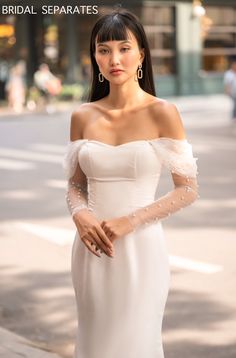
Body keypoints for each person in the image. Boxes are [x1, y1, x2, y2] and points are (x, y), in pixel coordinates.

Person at [63, 7, 199, 358]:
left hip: (141, 250)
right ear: (94, 57)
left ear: (141, 54)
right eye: (103, 50)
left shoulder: (162, 112)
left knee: (137, 343)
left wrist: (131, 221)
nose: (114, 59)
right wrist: (80, 215)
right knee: (95, 345)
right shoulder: (83, 115)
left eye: (124, 48)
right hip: (92, 249)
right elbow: (76, 186)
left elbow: (187, 189)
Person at [224, 58, 236, 125]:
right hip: (232, 92)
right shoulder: (228, 73)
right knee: (235, 104)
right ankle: (233, 116)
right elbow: (227, 83)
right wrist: (227, 91)